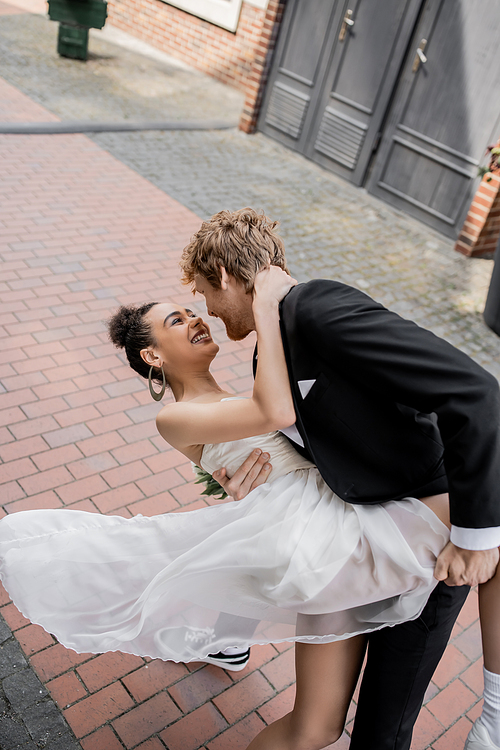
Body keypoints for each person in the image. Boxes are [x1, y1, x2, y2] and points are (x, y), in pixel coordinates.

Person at [178, 208, 500, 750]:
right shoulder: (271, 346)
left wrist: (474, 538)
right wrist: (252, 488)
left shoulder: (319, 307)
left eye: (204, 292)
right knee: (328, 726)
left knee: (382, 729)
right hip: (363, 543)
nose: (206, 309)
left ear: (228, 278)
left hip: (429, 542)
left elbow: (478, 395)